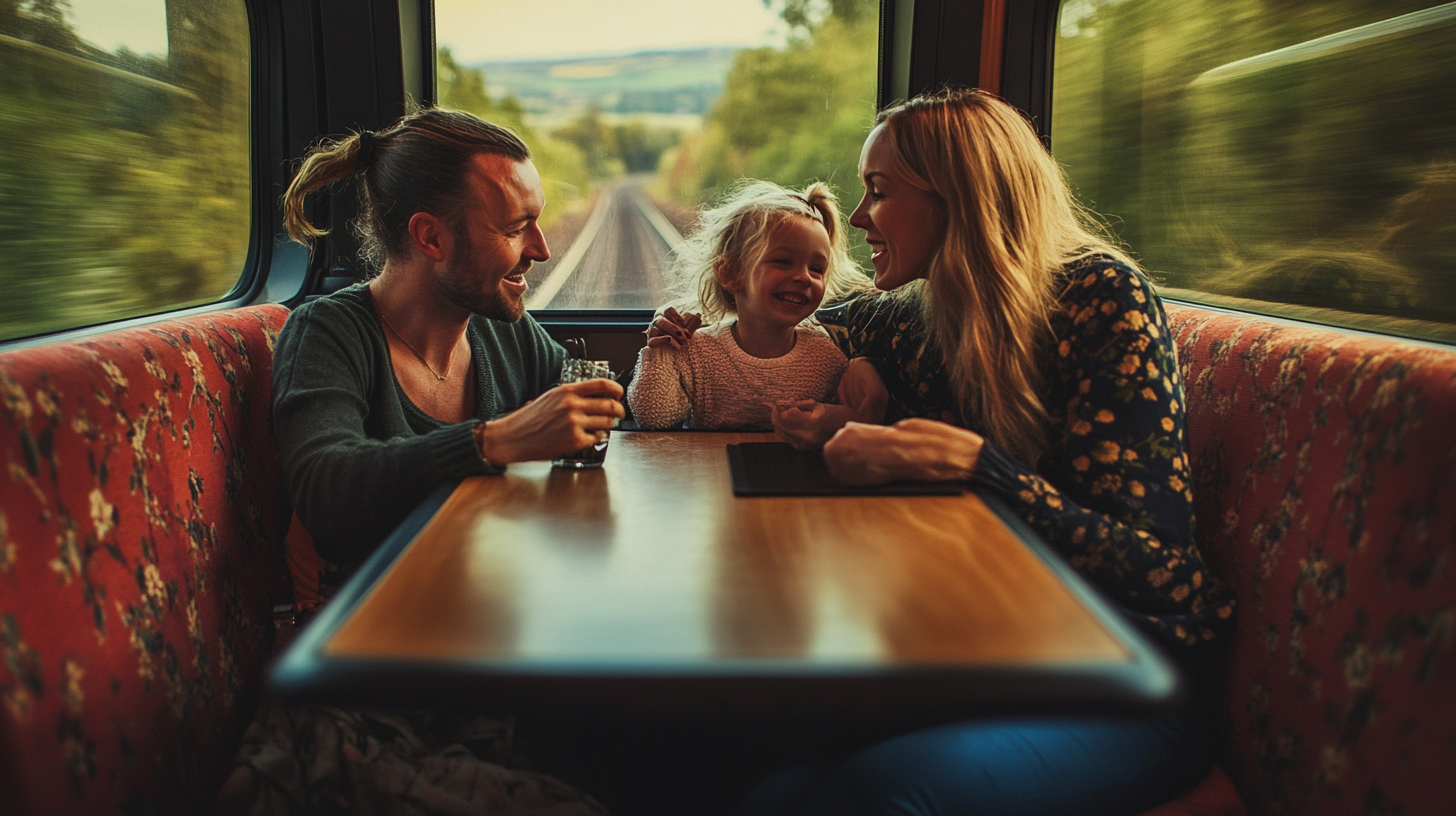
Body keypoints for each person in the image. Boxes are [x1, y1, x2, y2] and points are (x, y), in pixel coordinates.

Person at [655, 89, 1237, 815]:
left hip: (1124, 679)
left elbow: (1164, 575)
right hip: (986, 658)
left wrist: (978, 468)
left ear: (956, 197)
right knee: (744, 770)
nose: (858, 218)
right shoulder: (916, 315)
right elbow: (789, 321)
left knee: (876, 796)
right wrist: (692, 335)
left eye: (877, 191)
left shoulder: (1100, 300)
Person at [272, 106, 625, 571]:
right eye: (515, 229)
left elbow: (598, 414)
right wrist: (493, 442)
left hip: (490, 590)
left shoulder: (502, 328)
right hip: (379, 613)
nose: (542, 249)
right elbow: (326, 488)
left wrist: (678, 358)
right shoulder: (328, 332)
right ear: (431, 238)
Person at [628, 180, 883, 431]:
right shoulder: (697, 352)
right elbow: (653, 416)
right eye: (783, 261)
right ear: (730, 274)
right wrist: (659, 350)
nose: (804, 277)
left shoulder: (827, 358)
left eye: (816, 269)